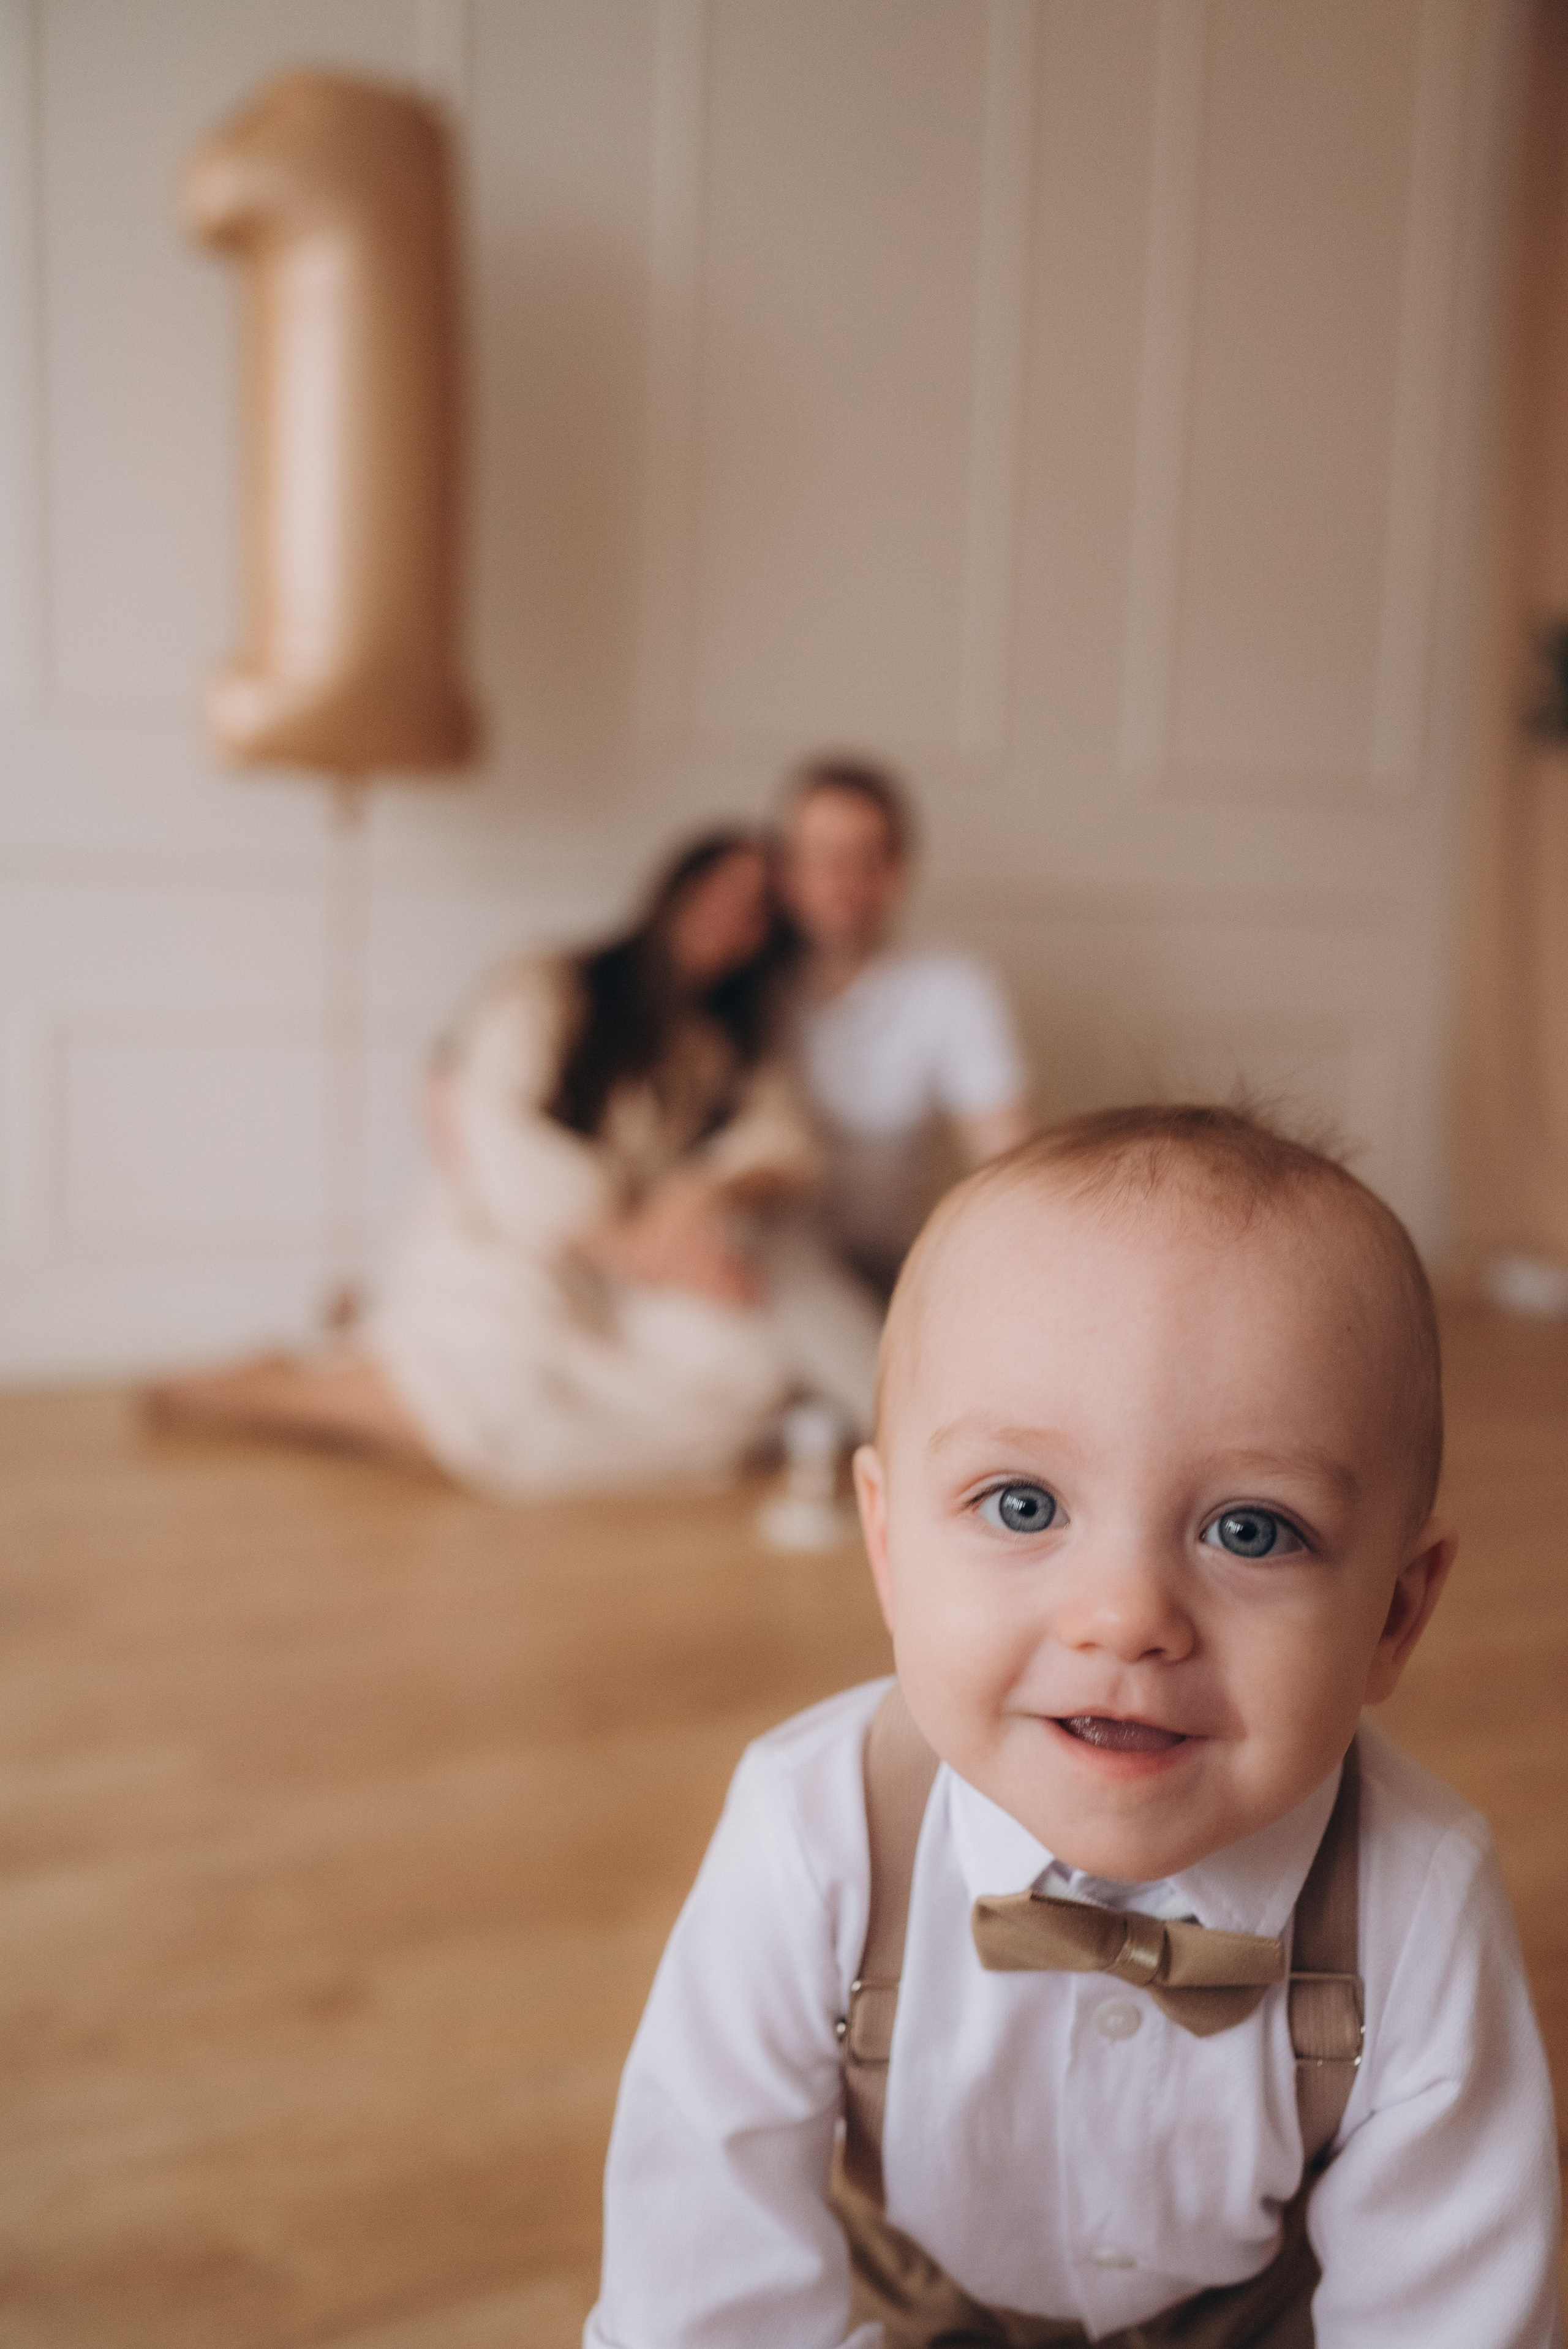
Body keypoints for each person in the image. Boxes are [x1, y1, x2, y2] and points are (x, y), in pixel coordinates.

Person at [586, 1104, 1562, 2347]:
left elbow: (1451, 2312)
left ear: (1393, 1614)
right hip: (909, 2297)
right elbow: (701, 2268)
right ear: (886, 1549)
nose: (1123, 1618)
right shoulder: (812, 1829)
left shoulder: (1416, 1899)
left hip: (1259, 2311)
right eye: (1022, 1502)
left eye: (1247, 1529)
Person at [148, 831, 882, 1493]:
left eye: (757, 911)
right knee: (502, 1378)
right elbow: (497, 1138)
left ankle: (359, 1393)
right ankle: (272, 1396)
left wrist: (698, 1196)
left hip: (630, 1280)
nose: (732, 917)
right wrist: (628, 1243)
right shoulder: (552, 982)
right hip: (510, 1240)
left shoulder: (735, 1042)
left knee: (744, 1368)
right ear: (674, 888)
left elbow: (782, 1147)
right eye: (719, 891)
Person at [777, 758, 1031, 1292]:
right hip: (768, 1261)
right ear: (788, 872)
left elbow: (1007, 1157)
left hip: (893, 1261)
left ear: (897, 870)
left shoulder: (952, 987)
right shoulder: (746, 988)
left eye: (864, 858)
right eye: (821, 858)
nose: (842, 881)